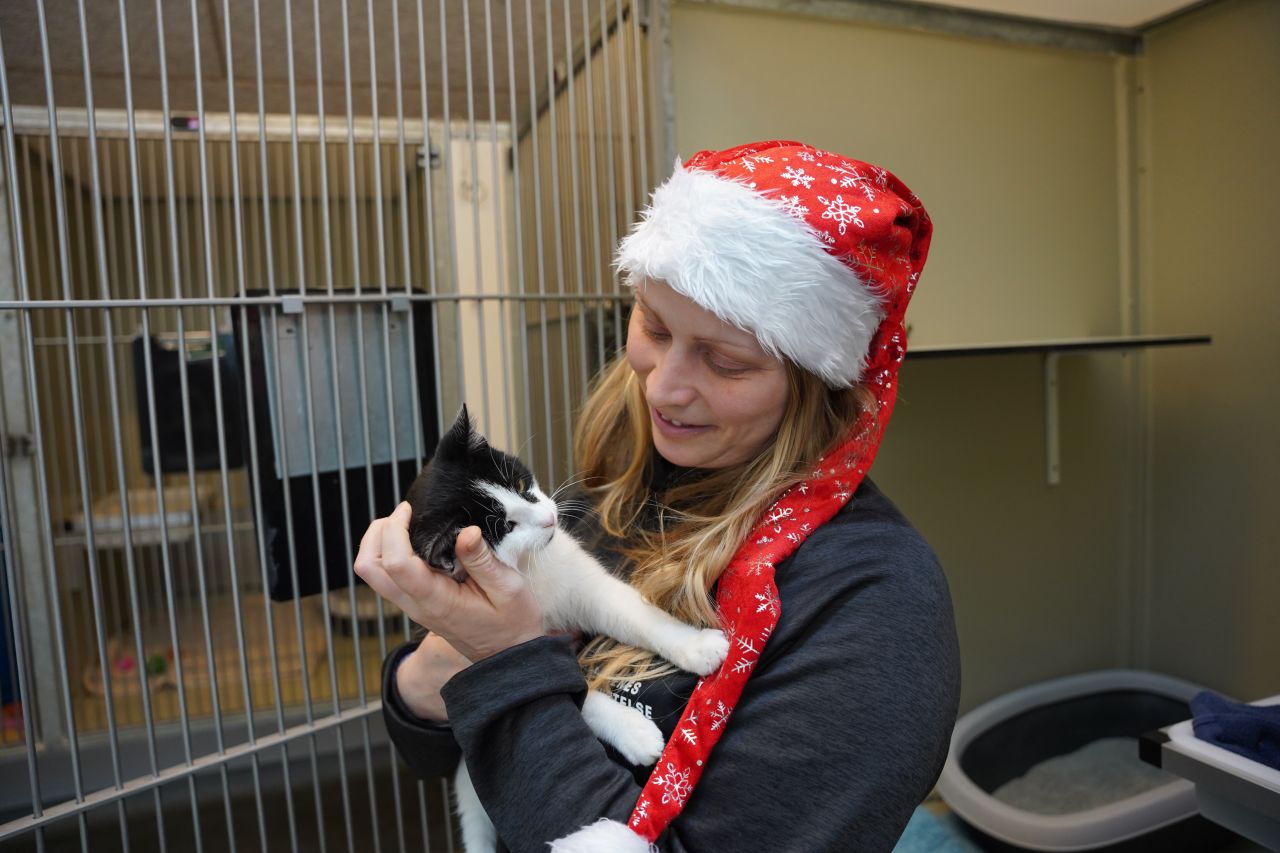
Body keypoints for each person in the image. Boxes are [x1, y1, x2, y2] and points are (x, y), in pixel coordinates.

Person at [355, 140, 961, 852]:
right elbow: (438, 749)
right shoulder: (609, 499)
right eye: (654, 326)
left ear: (812, 382)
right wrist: (429, 671)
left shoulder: (873, 598)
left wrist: (501, 660)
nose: (663, 388)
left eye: (725, 360)